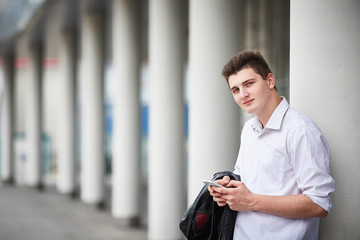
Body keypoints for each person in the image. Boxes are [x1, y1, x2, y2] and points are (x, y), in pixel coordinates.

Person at [208, 50, 335, 239]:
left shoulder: (300, 130)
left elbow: (319, 204)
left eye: (249, 83)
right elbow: (244, 180)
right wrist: (226, 189)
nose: (243, 94)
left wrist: (251, 201)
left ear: (270, 81)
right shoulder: (248, 129)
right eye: (235, 90)